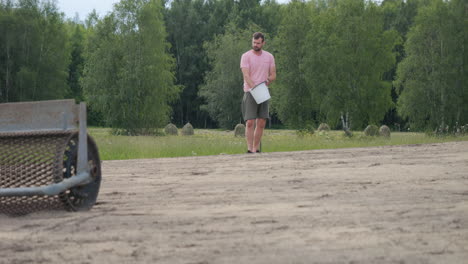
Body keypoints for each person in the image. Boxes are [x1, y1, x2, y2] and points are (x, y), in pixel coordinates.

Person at [240, 32, 276, 153]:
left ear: (263, 43)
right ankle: (249, 149)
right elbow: (245, 74)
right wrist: (254, 87)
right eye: (254, 42)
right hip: (250, 91)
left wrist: (268, 80)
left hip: (263, 91)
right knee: (250, 121)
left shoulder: (269, 57)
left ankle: (256, 148)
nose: (255, 45)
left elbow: (273, 75)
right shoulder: (246, 56)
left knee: (261, 121)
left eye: (258, 43)